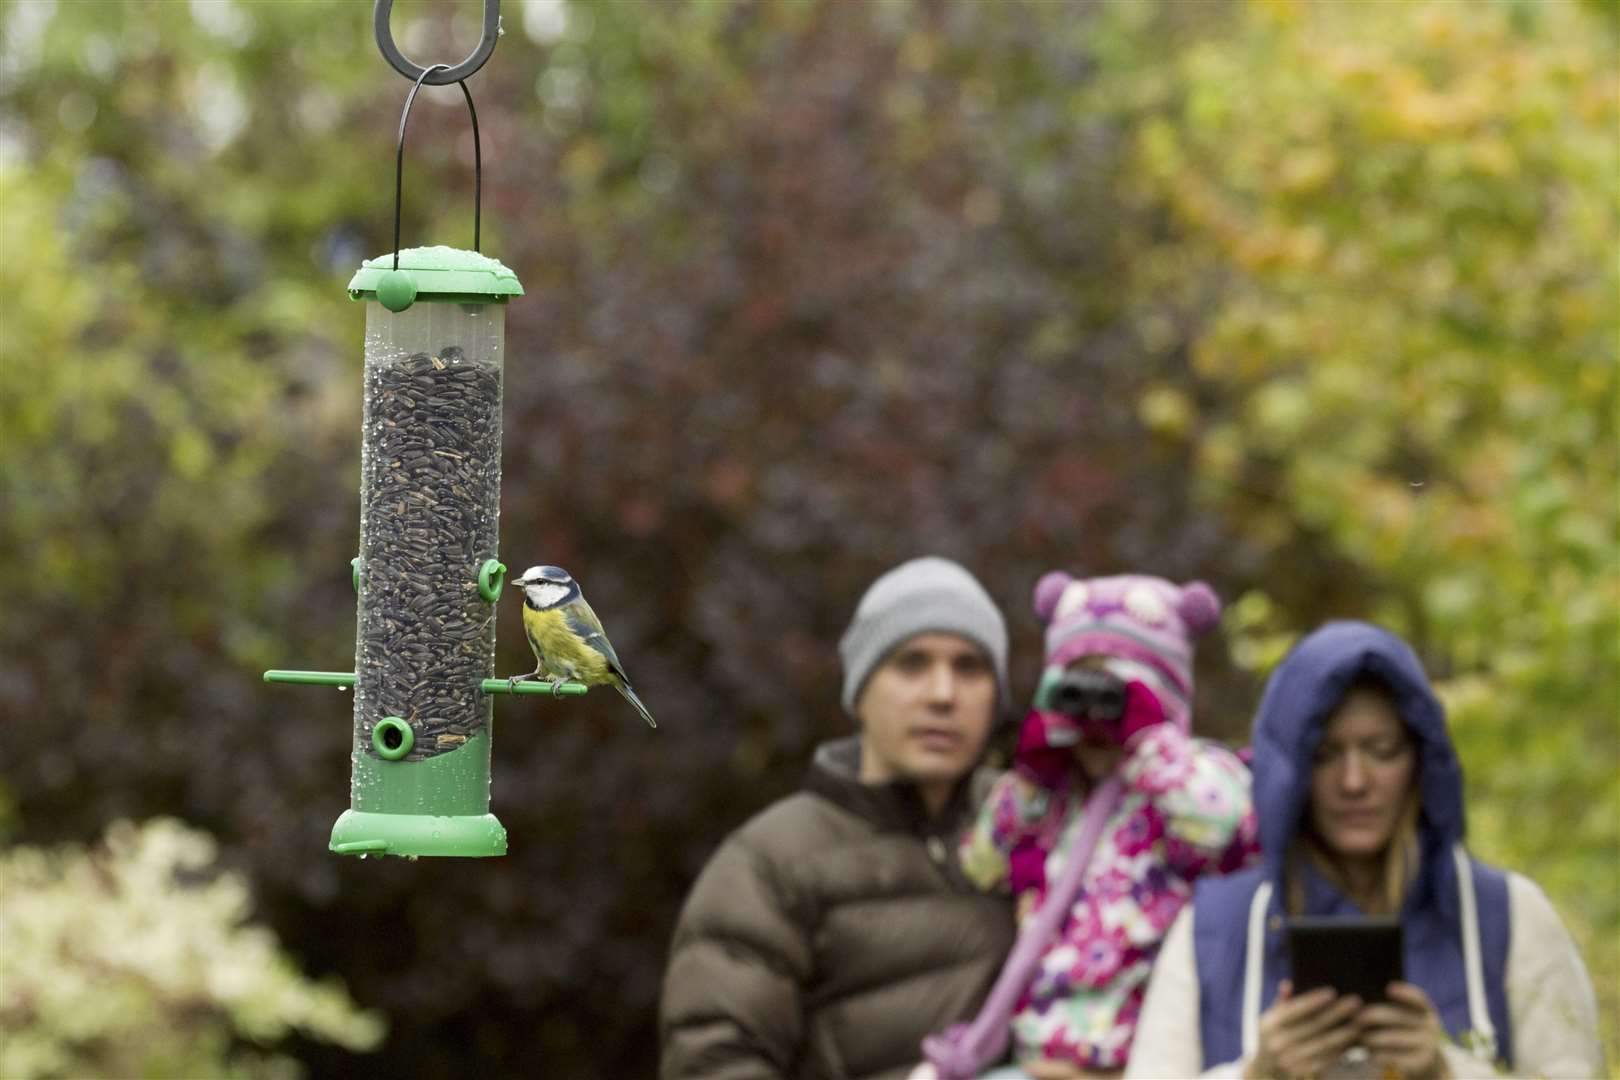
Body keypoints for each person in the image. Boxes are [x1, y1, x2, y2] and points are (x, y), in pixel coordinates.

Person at [1126, 620, 1606, 1079]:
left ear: (1421, 759)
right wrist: (1258, 1074)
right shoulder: (1216, 928)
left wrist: (1445, 1071)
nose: (1354, 782)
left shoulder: (1506, 916)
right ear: (1289, 773)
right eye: (1325, 755)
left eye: (1382, 750)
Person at [659, 556, 1018, 1080]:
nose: (944, 694)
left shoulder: (1037, 834)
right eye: (911, 663)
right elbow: (714, 1060)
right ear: (861, 692)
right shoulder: (770, 863)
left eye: (969, 666)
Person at [924, 572, 1258, 1079]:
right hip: (1036, 1061)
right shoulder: (1055, 799)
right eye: (1076, 694)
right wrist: (1031, 778)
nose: (1097, 721)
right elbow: (981, 866)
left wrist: (1149, 738)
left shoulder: (1191, 778)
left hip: (1141, 1063)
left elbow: (1227, 826)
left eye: (1116, 697)